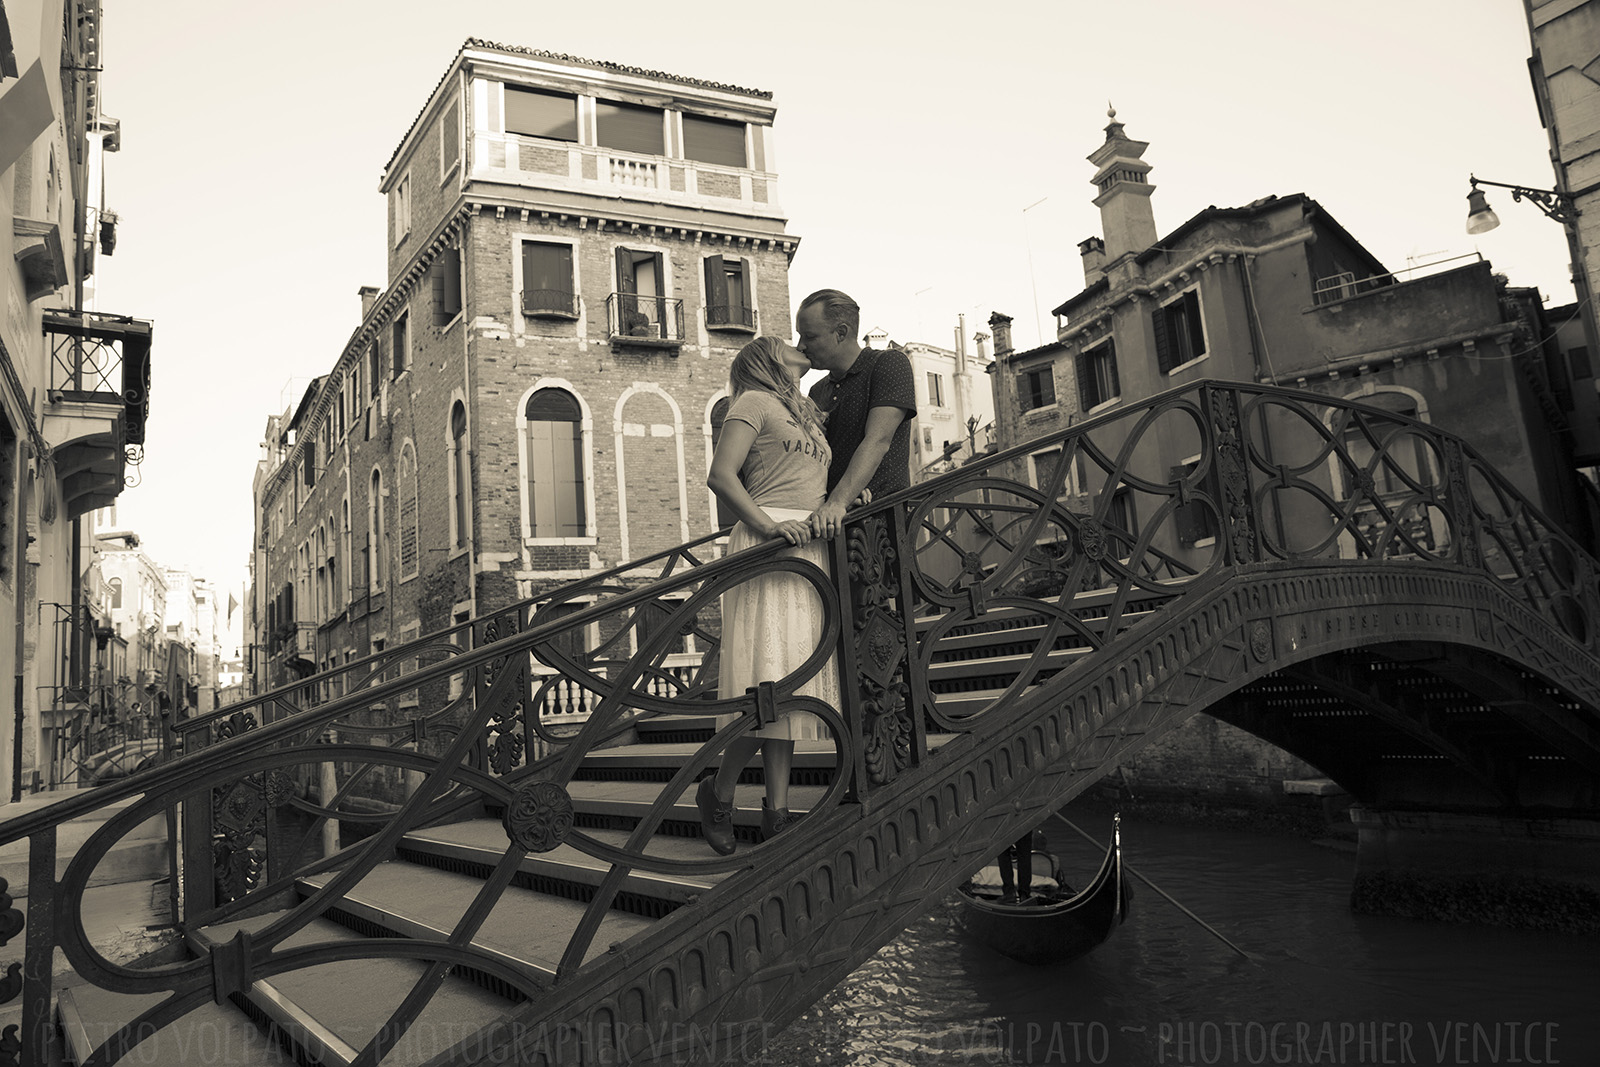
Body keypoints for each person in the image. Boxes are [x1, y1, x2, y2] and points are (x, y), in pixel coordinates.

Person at [698, 336, 840, 855]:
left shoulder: (805, 413)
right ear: (766, 360)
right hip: (768, 540)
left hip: (808, 547)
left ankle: (776, 813)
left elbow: (812, 483)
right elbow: (721, 475)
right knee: (765, 682)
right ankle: (719, 793)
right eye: (785, 343)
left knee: (791, 683)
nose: (797, 343)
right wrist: (764, 527)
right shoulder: (752, 401)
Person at [795, 289, 916, 540]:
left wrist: (838, 501)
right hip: (830, 528)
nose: (800, 346)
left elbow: (878, 441)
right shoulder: (817, 391)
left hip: (883, 526)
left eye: (809, 336)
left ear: (841, 333)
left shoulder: (889, 363)